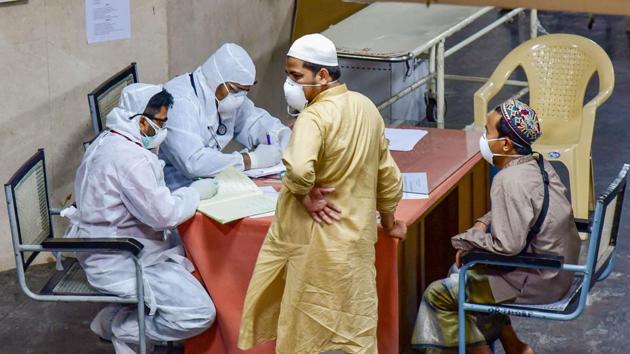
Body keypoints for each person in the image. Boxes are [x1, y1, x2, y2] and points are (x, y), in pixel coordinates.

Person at [238, 33, 406, 354]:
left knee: (307, 337)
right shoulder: (366, 108)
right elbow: (388, 175)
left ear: (323, 75)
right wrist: (389, 220)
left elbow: (299, 170)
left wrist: (305, 195)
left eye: (297, 76)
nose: (290, 84)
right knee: (354, 334)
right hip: (355, 247)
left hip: (317, 250)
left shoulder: (313, 117)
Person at [411, 99, 581, 354]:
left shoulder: (507, 180)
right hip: (558, 272)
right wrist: (483, 222)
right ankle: (515, 346)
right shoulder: (537, 164)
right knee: (464, 278)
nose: (483, 137)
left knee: (438, 295)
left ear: (505, 144)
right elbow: (524, 210)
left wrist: (467, 242)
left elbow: (507, 245)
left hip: (536, 280)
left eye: (487, 132)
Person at [61, 84, 217, 353]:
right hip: (121, 258)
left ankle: (116, 320)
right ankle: (121, 328)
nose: (164, 130)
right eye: (161, 123)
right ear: (141, 121)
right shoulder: (130, 159)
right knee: (200, 313)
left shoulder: (108, 140)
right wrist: (193, 194)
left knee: (193, 261)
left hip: (113, 245)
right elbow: (164, 215)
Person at [160, 43, 292, 190]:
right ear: (216, 79)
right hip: (174, 189)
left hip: (208, 183)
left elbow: (253, 120)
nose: (240, 97)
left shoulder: (226, 97)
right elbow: (193, 162)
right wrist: (250, 160)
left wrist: (280, 134)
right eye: (236, 90)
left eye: (245, 91)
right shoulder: (179, 100)